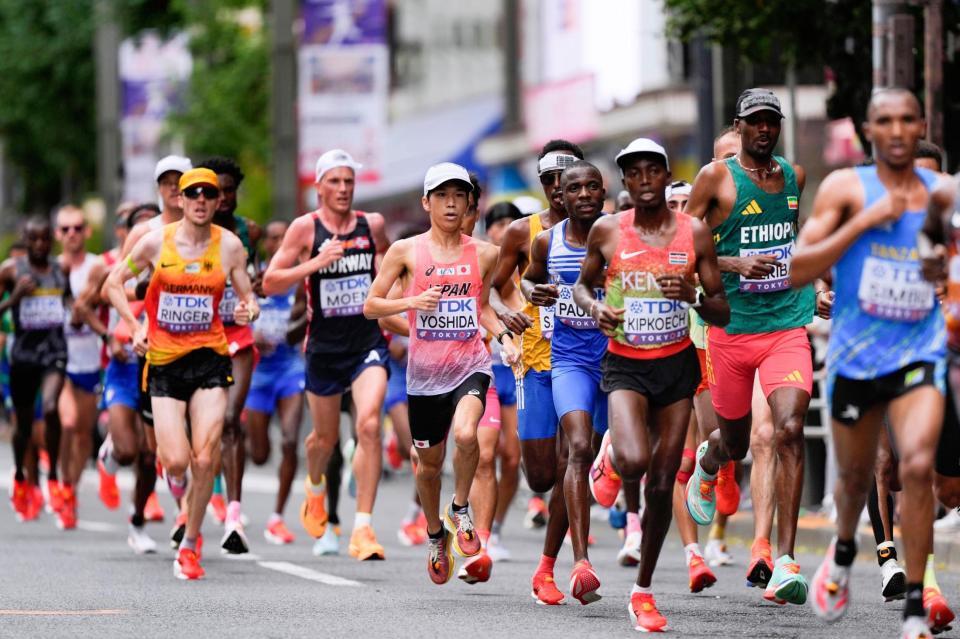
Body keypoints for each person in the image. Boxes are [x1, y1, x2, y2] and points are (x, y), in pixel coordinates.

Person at [792, 88, 944, 638]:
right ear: (869, 130)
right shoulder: (845, 188)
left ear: (921, 123)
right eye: (886, 121)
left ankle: (915, 609)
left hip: (919, 352)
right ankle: (844, 549)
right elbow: (795, 269)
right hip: (857, 357)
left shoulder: (944, 196)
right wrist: (863, 223)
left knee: (917, 466)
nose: (899, 130)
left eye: (909, 119)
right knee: (857, 478)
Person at [573, 138, 729, 631]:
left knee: (665, 483)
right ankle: (612, 454)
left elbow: (721, 309)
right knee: (636, 461)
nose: (643, 181)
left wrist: (695, 296)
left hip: (675, 365)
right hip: (625, 364)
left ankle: (642, 592)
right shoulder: (607, 230)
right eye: (633, 173)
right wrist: (596, 308)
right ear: (625, 182)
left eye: (652, 172)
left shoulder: (695, 233)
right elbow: (581, 285)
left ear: (665, 176)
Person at [684, 88, 818, 606]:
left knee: (787, 429)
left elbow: (792, 234)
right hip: (731, 330)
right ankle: (709, 459)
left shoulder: (793, 176)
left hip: (786, 324)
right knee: (736, 443)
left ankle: (785, 561)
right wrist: (734, 265)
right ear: (739, 127)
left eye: (771, 122)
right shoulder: (717, 178)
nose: (764, 130)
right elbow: (682, 244)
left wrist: (815, 280)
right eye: (755, 123)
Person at [364, 162, 519, 584]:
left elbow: (482, 306)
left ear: (470, 202)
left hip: (470, 364)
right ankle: (436, 533)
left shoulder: (486, 253)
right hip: (424, 376)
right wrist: (411, 305)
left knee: (470, 436)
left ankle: (461, 507)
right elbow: (371, 305)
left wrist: (504, 335)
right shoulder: (404, 251)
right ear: (426, 202)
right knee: (427, 466)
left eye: (459, 196)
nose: (451, 204)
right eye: (442, 196)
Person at [104, 167, 258, 580]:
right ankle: (181, 492)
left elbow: (248, 295)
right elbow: (113, 284)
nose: (202, 200)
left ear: (216, 201)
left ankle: (190, 543)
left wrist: (249, 308)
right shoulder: (155, 242)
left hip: (209, 357)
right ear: (181, 200)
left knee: (205, 456)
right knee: (174, 461)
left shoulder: (229, 246)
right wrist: (135, 327)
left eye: (209, 194)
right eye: (194, 194)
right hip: (165, 363)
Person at [263, 149, 391, 561]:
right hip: (323, 349)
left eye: (348, 181)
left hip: (367, 343)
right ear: (318, 187)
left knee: (369, 426)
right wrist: (315, 262)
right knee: (324, 440)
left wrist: (399, 307)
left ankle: (363, 527)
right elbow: (270, 282)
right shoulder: (305, 228)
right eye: (334, 181)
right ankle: (315, 487)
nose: (342, 189)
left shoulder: (372, 225)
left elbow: (390, 269)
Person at [489, 139, 584, 605]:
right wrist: (504, 318)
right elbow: (488, 291)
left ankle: (549, 568)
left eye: (565, 179)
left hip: (583, 360)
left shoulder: (601, 230)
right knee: (542, 476)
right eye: (549, 179)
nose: (557, 188)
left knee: (574, 461)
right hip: (535, 362)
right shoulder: (522, 234)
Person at [523, 160, 609, 603]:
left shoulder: (621, 235)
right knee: (577, 450)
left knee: (623, 459)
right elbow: (528, 281)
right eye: (574, 188)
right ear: (561, 194)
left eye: (593, 187)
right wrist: (530, 293)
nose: (583, 195)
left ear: (604, 191)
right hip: (570, 358)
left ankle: (547, 565)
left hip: (620, 361)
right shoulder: (546, 241)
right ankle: (580, 564)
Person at [78, 203, 162, 552]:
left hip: (158, 363)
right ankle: (111, 451)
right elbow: (84, 305)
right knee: (128, 452)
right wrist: (109, 337)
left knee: (149, 456)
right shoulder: (110, 265)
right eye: (139, 227)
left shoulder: (172, 258)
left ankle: (138, 520)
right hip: (124, 365)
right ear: (128, 233)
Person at [196, 156, 259, 553]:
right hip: (196, 339)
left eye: (229, 190)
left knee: (232, 419)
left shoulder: (247, 233)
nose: (222, 198)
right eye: (215, 191)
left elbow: (254, 289)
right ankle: (191, 506)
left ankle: (233, 517)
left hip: (236, 334)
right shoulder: (184, 233)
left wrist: (250, 303)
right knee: (201, 433)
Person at [0, 217, 69, 526]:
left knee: (53, 407)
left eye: (45, 240)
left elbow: (70, 303)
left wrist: (78, 313)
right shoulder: (11, 271)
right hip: (23, 355)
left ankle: (53, 476)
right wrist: (13, 299)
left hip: (54, 351)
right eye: (34, 240)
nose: (40, 245)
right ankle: (20, 476)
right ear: (25, 241)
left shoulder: (59, 270)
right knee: (24, 427)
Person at [246, 219, 305, 545]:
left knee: (290, 440)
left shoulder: (301, 280)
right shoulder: (257, 277)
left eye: (286, 238)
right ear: (267, 244)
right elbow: (239, 312)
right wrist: (253, 336)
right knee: (259, 455)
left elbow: (302, 324)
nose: (280, 242)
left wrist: (291, 328)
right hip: (258, 374)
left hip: (290, 369)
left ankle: (278, 517)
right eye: (274, 237)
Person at [481, 201, 524, 562]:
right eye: (499, 223)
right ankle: (477, 528)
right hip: (485, 372)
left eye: (513, 222)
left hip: (519, 373)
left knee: (512, 458)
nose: (506, 228)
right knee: (484, 453)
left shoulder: (527, 268)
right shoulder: (480, 265)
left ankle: (495, 527)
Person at [55, 205, 101, 528]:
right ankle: (62, 483)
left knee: (84, 433)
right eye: (65, 228)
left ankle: (71, 489)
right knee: (67, 424)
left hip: (90, 360)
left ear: (87, 231)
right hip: (57, 361)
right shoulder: (48, 269)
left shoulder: (97, 267)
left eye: (77, 227)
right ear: (58, 234)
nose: (72, 233)